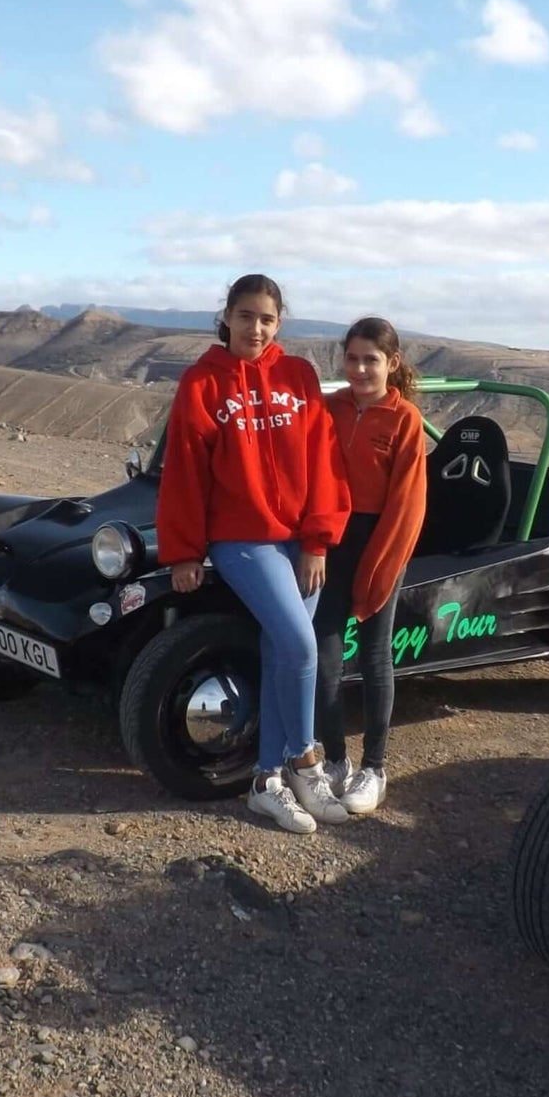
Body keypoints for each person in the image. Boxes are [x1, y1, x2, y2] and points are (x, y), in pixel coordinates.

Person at [156, 273, 352, 833]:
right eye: (246, 317)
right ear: (227, 317)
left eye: (267, 319)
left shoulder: (299, 377)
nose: (256, 328)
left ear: (279, 322)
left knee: (280, 654)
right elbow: (186, 474)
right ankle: (306, 761)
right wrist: (186, 552)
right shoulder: (202, 383)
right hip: (243, 541)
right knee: (300, 645)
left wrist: (317, 541)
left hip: (301, 540)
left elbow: (323, 461)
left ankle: (265, 782)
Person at [314, 317, 428, 813]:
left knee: (376, 655)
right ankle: (334, 758)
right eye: (353, 358)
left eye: (371, 359)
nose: (360, 369)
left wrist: (381, 563)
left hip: (381, 541)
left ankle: (374, 767)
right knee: (325, 654)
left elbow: (407, 503)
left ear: (392, 364)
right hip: (329, 540)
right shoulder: (329, 407)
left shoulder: (405, 420)